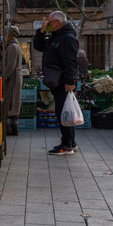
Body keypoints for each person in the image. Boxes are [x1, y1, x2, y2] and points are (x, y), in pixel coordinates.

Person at [34, 11, 79, 155]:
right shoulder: (55, 37)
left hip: (63, 82)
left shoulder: (67, 38)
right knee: (63, 111)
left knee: (63, 112)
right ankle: (70, 143)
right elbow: (38, 46)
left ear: (57, 23)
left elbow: (70, 61)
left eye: (50, 22)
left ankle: (67, 146)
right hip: (56, 81)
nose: (48, 24)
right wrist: (41, 32)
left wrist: (70, 81)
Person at [3, 26, 23, 136]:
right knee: (14, 103)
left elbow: (10, 65)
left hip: (12, 80)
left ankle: (9, 128)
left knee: (8, 102)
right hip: (15, 78)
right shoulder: (15, 45)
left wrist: (3, 77)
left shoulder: (12, 47)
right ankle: (13, 127)